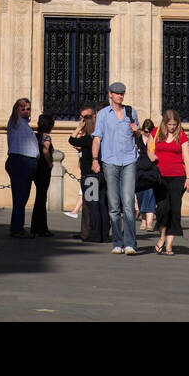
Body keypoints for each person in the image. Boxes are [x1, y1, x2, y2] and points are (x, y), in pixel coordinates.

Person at [92, 81, 140, 254]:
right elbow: (97, 138)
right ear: (110, 94)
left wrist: (137, 130)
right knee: (113, 205)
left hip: (129, 161)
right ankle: (117, 242)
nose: (120, 96)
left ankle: (130, 243)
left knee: (127, 203)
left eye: (122, 93)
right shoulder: (104, 114)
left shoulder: (130, 111)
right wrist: (95, 159)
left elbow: (139, 136)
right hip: (110, 161)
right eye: (117, 93)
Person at [149, 110, 189, 255]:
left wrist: (188, 178)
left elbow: (187, 158)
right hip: (159, 177)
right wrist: (152, 156)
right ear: (164, 123)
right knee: (163, 207)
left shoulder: (182, 136)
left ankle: (169, 245)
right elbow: (148, 150)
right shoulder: (155, 133)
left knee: (175, 210)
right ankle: (162, 237)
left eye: (174, 124)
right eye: (170, 124)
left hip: (177, 177)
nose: (172, 127)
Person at [70, 104, 110, 243]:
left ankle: (95, 234)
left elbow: (71, 140)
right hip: (103, 175)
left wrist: (79, 127)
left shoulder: (88, 138)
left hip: (89, 176)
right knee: (102, 205)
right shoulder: (102, 136)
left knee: (92, 205)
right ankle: (104, 234)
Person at [5, 97, 39, 236]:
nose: (25, 111)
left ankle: (18, 226)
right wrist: (17, 106)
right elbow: (15, 114)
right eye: (22, 108)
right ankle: (17, 228)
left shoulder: (26, 125)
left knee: (23, 197)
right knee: (19, 197)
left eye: (28, 109)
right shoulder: (15, 121)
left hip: (29, 162)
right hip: (20, 161)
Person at [30, 112, 55, 236]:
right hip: (44, 169)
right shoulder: (46, 137)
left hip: (35, 167)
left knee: (39, 197)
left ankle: (36, 226)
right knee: (41, 198)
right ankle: (41, 227)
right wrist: (50, 163)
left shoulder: (35, 136)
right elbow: (45, 150)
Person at [135, 119, 157, 231]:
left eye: (150, 131)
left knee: (150, 194)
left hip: (151, 168)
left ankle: (149, 223)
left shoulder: (155, 139)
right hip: (139, 169)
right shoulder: (138, 138)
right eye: (145, 131)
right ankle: (143, 221)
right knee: (141, 195)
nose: (147, 133)